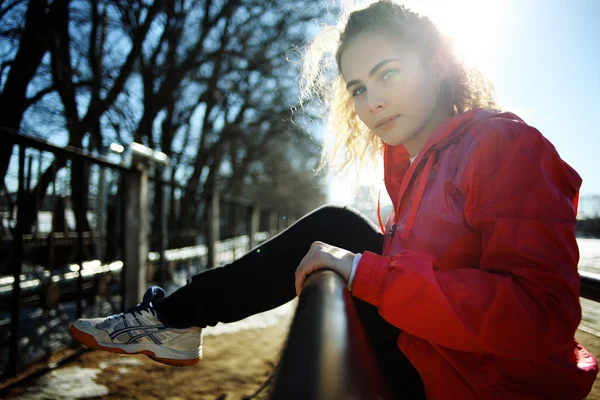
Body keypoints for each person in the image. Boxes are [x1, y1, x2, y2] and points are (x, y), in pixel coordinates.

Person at [69, 1, 598, 398]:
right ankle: (177, 319)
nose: (374, 101)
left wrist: (365, 271)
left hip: (489, 387)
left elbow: (541, 314)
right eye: (358, 88)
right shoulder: (412, 167)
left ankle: (174, 319)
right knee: (338, 228)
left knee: (338, 232)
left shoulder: (502, 145)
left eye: (388, 73)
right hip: (443, 360)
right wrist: (361, 267)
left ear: (437, 63)